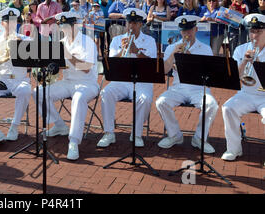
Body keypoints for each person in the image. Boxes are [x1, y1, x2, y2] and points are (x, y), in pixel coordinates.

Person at [35, 12, 99, 161]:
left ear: (74, 25)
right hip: (68, 82)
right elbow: (60, 67)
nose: (64, 29)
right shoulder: (61, 42)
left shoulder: (87, 42)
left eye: (66, 26)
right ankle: (59, 125)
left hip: (87, 83)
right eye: (61, 26)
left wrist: (67, 54)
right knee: (38, 92)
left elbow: (86, 67)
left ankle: (74, 141)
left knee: (78, 98)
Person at [155, 15, 219, 154]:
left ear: (196, 29)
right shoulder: (172, 47)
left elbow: (208, 74)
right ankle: (175, 135)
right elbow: (165, 70)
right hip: (178, 87)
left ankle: (199, 138)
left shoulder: (205, 48)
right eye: (184, 31)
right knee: (161, 102)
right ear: (180, 32)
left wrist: (189, 58)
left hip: (199, 87)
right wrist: (172, 55)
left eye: (189, 30)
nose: (186, 34)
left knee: (212, 104)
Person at [97, 8, 157, 148]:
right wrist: (121, 51)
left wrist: (137, 52)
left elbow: (152, 63)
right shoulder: (117, 40)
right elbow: (111, 61)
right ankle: (109, 133)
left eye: (135, 23)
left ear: (141, 24)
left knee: (145, 99)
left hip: (142, 80)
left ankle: (136, 134)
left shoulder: (149, 41)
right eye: (129, 22)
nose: (131, 26)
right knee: (106, 93)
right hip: (121, 80)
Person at [0, 8, 32, 147]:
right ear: (2, 24)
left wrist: (21, 43)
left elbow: (35, 50)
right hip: (1, 80)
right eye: (7, 22)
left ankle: (14, 126)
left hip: (19, 80)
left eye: (14, 21)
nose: (11, 24)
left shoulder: (24, 38)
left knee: (26, 91)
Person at [221, 13, 265, 161]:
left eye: (259, 31)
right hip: (246, 92)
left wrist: (258, 63)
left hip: (264, 96)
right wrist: (244, 62)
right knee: (228, 108)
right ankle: (233, 149)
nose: (255, 35)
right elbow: (234, 77)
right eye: (252, 31)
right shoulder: (241, 49)